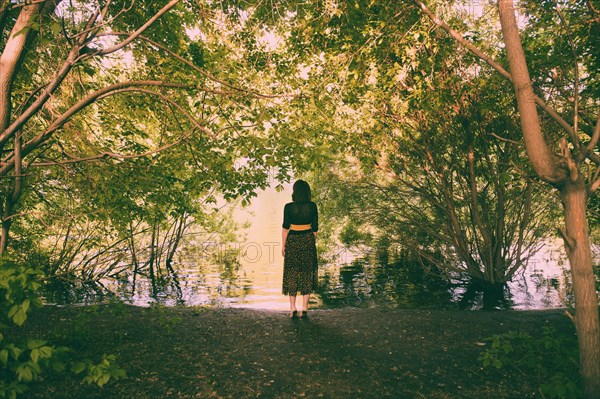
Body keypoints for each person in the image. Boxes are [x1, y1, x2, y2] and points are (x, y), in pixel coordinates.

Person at [281, 179, 318, 319]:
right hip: (307, 239)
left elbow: (285, 228)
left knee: (292, 271)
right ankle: (305, 307)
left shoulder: (288, 207)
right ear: (308, 192)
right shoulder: (312, 206)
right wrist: (311, 242)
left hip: (293, 240)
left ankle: (292, 307)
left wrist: (283, 245)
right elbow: (315, 229)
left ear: (294, 192)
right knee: (307, 271)